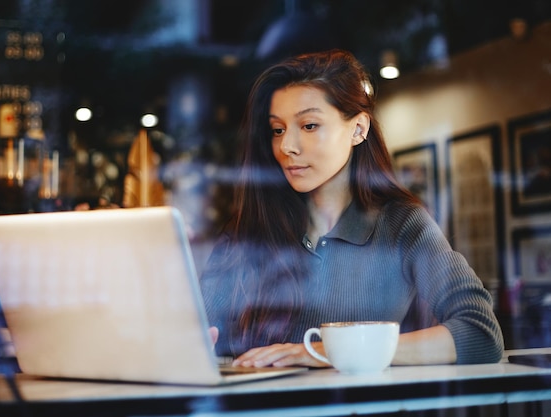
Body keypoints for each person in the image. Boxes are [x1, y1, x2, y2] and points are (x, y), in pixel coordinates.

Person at [199, 49, 504, 369]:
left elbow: (480, 333)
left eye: (309, 125)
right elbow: (201, 335)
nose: (288, 146)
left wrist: (322, 351)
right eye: (278, 129)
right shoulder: (248, 229)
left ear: (358, 129)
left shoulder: (402, 224)